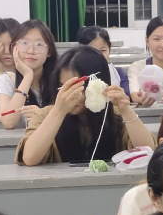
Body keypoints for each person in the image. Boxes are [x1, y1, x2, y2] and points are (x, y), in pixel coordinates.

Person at [16, 46, 155, 166]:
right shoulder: (46, 115)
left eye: (80, 87)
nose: (73, 95)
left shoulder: (117, 114)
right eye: (63, 87)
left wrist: (127, 111)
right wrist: (59, 111)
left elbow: (148, 152)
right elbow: (29, 158)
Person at [0, 19, 59, 129]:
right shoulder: (6, 80)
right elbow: (8, 121)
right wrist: (27, 76)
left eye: (39, 44)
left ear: (49, 51)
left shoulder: (59, 78)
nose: (31, 51)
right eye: (24, 43)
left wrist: (43, 115)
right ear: (14, 48)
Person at [77, 25, 130, 96]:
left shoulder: (118, 73)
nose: (98, 55)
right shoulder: (75, 74)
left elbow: (126, 96)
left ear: (109, 48)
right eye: (92, 51)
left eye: (103, 50)